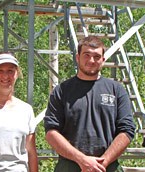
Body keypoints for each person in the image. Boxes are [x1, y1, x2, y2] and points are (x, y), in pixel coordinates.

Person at [43, 36, 135, 172]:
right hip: (70, 166)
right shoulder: (62, 91)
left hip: (107, 166)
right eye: (86, 55)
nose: (91, 60)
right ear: (77, 57)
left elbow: (127, 130)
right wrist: (82, 160)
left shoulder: (117, 90)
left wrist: (101, 164)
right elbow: (51, 132)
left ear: (103, 61)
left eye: (97, 56)